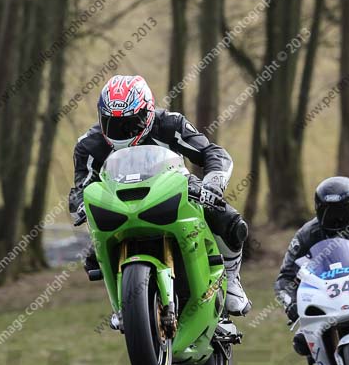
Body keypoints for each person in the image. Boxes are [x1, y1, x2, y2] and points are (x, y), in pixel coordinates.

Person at [68, 74, 252, 316]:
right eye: (111, 122)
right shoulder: (88, 145)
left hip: (171, 191)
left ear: (147, 113)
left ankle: (231, 277)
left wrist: (213, 184)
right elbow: (80, 187)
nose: (120, 130)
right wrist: (82, 206)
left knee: (229, 220)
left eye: (130, 123)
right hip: (119, 204)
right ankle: (123, 306)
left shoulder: (170, 124)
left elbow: (210, 152)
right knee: (93, 255)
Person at [275, 176, 349, 361]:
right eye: (328, 212)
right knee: (302, 342)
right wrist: (290, 303)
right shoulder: (306, 235)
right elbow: (285, 278)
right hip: (326, 300)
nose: (336, 218)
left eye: (341, 211)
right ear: (317, 209)